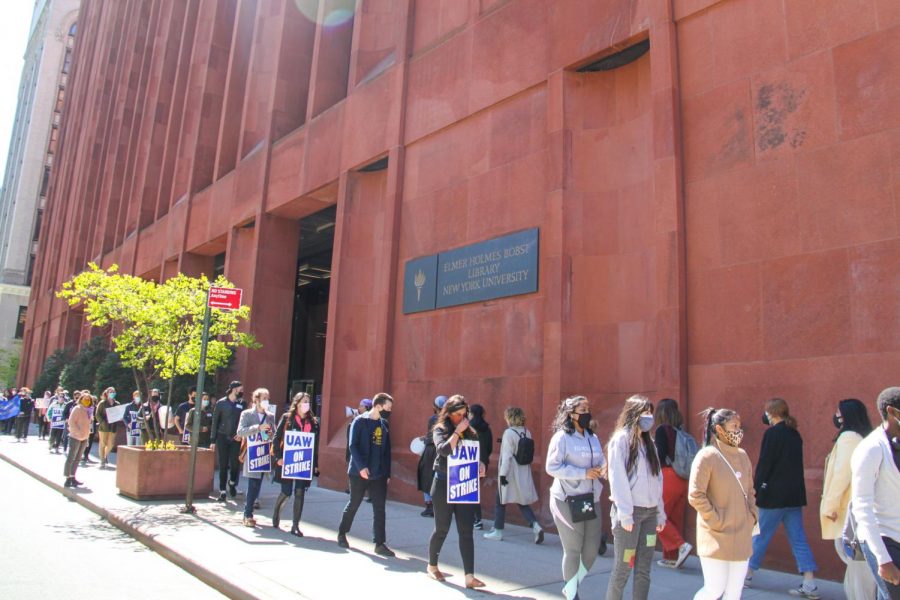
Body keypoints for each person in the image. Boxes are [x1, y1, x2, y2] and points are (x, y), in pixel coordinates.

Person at [747, 398, 820, 598]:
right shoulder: (794, 434)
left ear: (772, 412)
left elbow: (765, 464)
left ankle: (746, 574)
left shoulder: (772, 434)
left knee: (760, 535)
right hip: (794, 495)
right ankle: (809, 581)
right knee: (798, 537)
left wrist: (756, 489)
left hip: (773, 496)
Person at [689, 407, 758, 600]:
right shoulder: (707, 456)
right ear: (719, 429)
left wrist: (752, 515)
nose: (738, 430)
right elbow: (696, 495)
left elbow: (750, 490)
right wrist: (716, 520)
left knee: (734, 592)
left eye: (739, 426)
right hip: (716, 535)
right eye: (733, 426)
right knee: (714, 589)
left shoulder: (743, 456)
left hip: (742, 534)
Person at [546, 396, 607, 600]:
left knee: (590, 551)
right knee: (573, 550)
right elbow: (551, 467)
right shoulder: (562, 437)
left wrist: (603, 469)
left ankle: (570, 585)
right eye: (582, 409)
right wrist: (583, 473)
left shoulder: (593, 437)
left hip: (591, 499)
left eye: (588, 408)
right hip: (567, 499)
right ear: (571, 414)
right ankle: (572, 594)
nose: (586, 413)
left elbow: (601, 461)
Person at [606, 394, 666, 600]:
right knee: (623, 567)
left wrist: (660, 512)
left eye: (650, 412)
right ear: (633, 414)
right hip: (630, 514)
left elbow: (658, 479)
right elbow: (617, 478)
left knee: (644, 569)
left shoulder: (650, 443)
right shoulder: (621, 440)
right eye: (644, 412)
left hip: (649, 514)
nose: (649, 417)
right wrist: (625, 513)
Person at [424, 395, 486, 588]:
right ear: (449, 414)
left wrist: (481, 465)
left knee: (466, 531)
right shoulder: (440, 429)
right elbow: (443, 450)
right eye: (458, 414)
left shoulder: (471, 431)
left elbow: (476, 453)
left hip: (464, 484)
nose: (462, 417)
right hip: (443, 483)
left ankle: (469, 576)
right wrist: (458, 432)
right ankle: (432, 566)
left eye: (464, 414)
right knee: (442, 528)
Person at [821, 398, 877, 600]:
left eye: (838, 412)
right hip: (861, 507)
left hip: (846, 510)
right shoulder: (865, 436)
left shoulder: (848, 438)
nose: (836, 416)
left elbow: (841, 474)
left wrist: (830, 506)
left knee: (854, 561)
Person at [852, 387, 900, 599]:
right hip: (882, 539)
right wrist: (882, 559)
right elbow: (862, 507)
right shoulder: (871, 448)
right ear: (892, 412)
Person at [337, 392, 394, 556]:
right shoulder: (359, 421)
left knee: (379, 508)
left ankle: (380, 543)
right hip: (358, 472)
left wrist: (387, 472)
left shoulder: (384, 424)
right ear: (378, 406)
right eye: (388, 407)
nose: (389, 411)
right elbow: (353, 446)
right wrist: (361, 467)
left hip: (379, 473)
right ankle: (342, 533)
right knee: (354, 503)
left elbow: (387, 451)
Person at [484, 406, 544, 543]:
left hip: (510, 472)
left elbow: (506, 457)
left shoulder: (509, 433)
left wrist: (502, 475)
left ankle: (498, 531)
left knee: (500, 501)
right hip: (523, 471)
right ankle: (535, 525)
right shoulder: (526, 432)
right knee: (522, 502)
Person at [273, 392, 319, 536]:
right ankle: (276, 513)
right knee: (286, 492)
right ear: (297, 403)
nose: (307, 404)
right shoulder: (287, 418)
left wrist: (315, 464)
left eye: (308, 402)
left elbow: (314, 445)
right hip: (287, 461)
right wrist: (278, 457)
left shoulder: (313, 422)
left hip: (304, 463)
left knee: (300, 493)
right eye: (304, 401)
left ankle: (295, 525)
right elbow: (276, 438)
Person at [654, 398, 693, 568]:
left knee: (657, 515)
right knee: (674, 519)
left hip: (668, 476)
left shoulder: (662, 430)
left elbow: (660, 455)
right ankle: (672, 557)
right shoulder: (681, 432)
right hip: (683, 479)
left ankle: (680, 546)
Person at [236, 388, 276, 527]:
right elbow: (241, 431)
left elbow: (273, 434)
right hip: (251, 451)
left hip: (264, 451)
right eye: (264, 398)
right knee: (253, 482)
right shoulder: (247, 414)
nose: (266, 401)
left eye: (268, 398)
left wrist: (270, 432)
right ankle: (248, 514)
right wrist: (258, 427)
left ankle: (249, 511)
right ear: (256, 399)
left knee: (258, 483)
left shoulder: (270, 416)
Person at [211, 381, 245, 502]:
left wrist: (241, 435)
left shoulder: (242, 403)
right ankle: (222, 491)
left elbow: (244, 422)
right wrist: (212, 440)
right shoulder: (221, 403)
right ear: (233, 389)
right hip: (222, 436)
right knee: (223, 464)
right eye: (240, 389)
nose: (241, 392)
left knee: (235, 464)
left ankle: (232, 483)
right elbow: (215, 421)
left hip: (236, 437)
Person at [417, 395, 446, 517]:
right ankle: (439, 507)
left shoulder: (433, 418)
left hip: (431, 451)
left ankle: (429, 506)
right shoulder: (450, 419)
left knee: (426, 477)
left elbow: (432, 436)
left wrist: (426, 439)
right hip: (444, 451)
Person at [468, 404, 492, 530]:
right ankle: (474, 518)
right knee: (473, 490)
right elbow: (489, 448)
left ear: (472, 413)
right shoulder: (486, 428)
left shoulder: (467, 427)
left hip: (470, 461)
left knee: (470, 491)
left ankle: (476, 519)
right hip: (483, 462)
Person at [64, 394, 93, 487]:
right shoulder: (77, 409)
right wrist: (78, 432)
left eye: (89, 400)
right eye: (85, 399)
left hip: (84, 438)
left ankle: (73, 476)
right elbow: (71, 422)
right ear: (81, 399)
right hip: (75, 437)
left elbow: (88, 425)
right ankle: (67, 477)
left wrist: (86, 436)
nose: (87, 401)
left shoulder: (89, 411)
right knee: (71, 457)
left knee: (77, 459)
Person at [95, 387, 119, 468]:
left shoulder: (117, 404)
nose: (112, 393)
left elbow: (119, 414)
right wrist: (102, 422)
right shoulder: (102, 403)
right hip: (104, 427)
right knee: (103, 443)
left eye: (113, 392)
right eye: (110, 392)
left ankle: (105, 456)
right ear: (107, 393)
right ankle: (102, 460)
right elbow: (97, 414)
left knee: (111, 444)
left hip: (113, 427)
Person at [81, 393, 98, 465]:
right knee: (83, 441)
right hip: (84, 426)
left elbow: (96, 418)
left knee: (90, 442)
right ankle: (81, 455)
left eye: (94, 401)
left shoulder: (95, 408)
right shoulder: (83, 407)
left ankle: (86, 455)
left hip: (91, 427)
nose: (93, 402)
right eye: (92, 401)